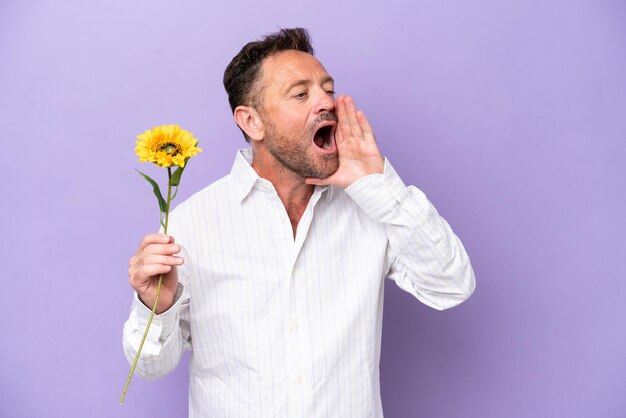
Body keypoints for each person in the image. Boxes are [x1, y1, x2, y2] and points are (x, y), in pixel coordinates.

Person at [123, 27, 475, 417]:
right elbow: (150, 366)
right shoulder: (189, 224)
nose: (327, 102)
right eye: (301, 93)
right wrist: (154, 305)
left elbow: (451, 287)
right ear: (251, 121)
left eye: (328, 88)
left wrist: (379, 186)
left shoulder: (372, 207)